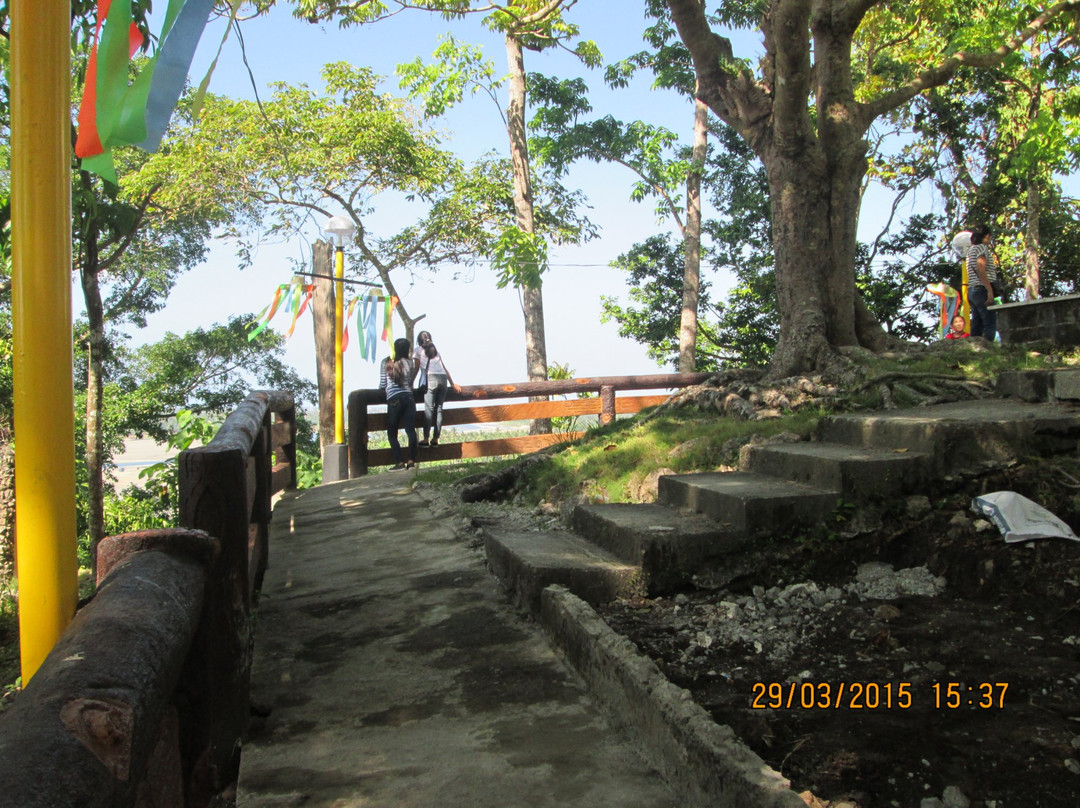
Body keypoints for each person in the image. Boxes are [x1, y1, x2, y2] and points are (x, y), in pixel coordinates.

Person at [412, 330, 461, 447]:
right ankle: (436, 439)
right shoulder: (435, 351)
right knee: (439, 409)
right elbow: (444, 368)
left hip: (431, 379)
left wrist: (411, 383)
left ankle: (425, 439)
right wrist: (452, 384)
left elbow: (417, 368)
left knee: (429, 410)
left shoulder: (418, 350)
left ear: (419, 341)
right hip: (443, 379)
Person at [379, 337, 417, 470]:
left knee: (392, 432)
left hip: (394, 398)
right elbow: (409, 379)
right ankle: (411, 461)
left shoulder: (386, 362)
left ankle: (399, 462)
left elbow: (382, 384)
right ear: (407, 349)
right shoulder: (410, 362)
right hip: (409, 397)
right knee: (410, 431)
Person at [965, 223, 999, 341]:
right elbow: (981, 267)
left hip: (972, 290)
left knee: (977, 323)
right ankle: (988, 350)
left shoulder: (971, 250)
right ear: (987, 236)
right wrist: (989, 290)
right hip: (981, 288)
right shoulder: (982, 248)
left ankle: (974, 349)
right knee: (989, 322)